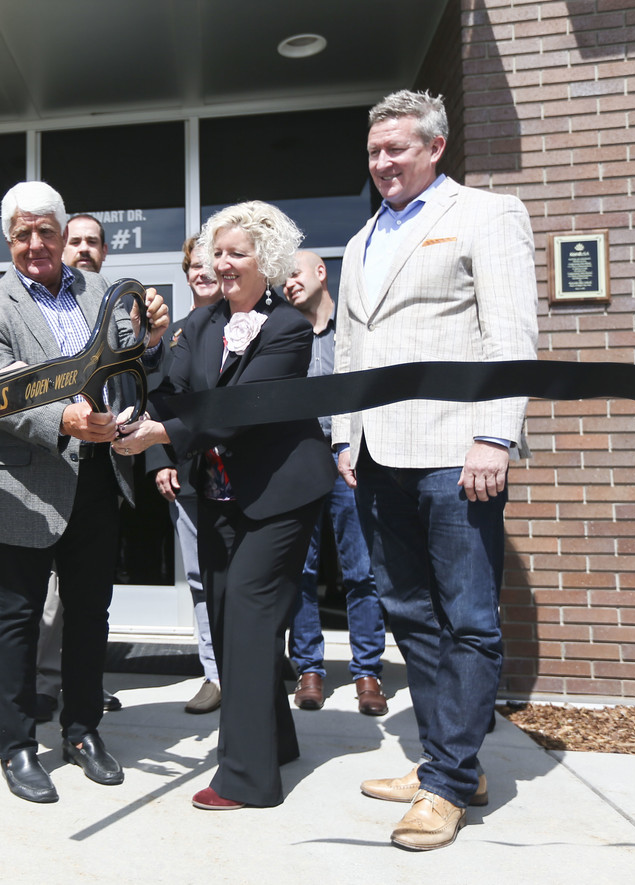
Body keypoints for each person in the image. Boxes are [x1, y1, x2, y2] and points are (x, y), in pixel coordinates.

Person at [333, 90, 538, 850]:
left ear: (436, 147)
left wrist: (496, 434)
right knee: (411, 613)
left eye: (397, 149)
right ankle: (451, 759)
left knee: (470, 620)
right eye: (375, 151)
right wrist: (346, 440)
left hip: (458, 451)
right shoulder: (359, 242)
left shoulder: (487, 214)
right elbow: (352, 351)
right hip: (380, 454)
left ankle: (448, 781)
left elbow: (511, 333)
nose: (383, 162)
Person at [116, 201, 335, 810]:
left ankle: (247, 778)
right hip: (214, 497)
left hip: (280, 497)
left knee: (246, 614)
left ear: (265, 260)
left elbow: (242, 410)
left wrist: (161, 434)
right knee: (225, 617)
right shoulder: (201, 323)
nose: (223, 263)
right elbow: (169, 388)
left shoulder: (289, 327)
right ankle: (275, 740)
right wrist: (142, 395)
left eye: (237, 253)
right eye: (218, 252)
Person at [0, 181, 169, 804]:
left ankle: (81, 731)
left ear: (61, 231)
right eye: (21, 234)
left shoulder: (100, 291)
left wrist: (150, 336)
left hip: (100, 480)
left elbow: (126, 359)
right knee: (18, 620)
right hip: (25, 485)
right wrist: (63, 421)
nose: (34, 245)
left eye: (44, 231)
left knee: (89, 615)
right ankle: (17, 745)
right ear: (8, 239)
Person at [282, 250, 388, 717]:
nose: (287, 284)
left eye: (294, 274)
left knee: (360, 570)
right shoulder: (283, 335)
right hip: (300, 463)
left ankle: (368, 672)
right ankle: (309, 670)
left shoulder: (354, 333)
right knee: (300, 571)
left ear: (321, 273)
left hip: (350, 461)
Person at [33, 211, 122, 723]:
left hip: (100, 468)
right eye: (77, 240)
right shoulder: (42, 305)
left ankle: (85, 693)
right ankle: (45, 685)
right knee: (46, 599)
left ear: (104, 252)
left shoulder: (108, 302)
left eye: (94, 242)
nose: (85, 248)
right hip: (44, 468)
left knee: (90, 601)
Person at [147, 235, 222, 715]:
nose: (201, 273)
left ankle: (261, 666)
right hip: (189, 474)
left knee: (246, 578)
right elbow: (155, 400)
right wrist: (160, 461)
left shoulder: (250, 325)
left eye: (209, 264)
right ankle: (214, 674)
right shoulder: (172, 336)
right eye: (193, 265)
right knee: (198, 577)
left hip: (243, 475)